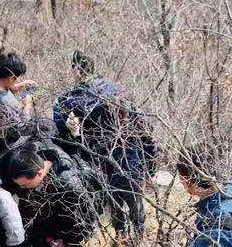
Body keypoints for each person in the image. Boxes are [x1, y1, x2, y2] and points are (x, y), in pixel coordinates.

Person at [53, 51, 156, 237]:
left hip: (102, 162)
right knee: (135, 207)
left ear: (76, 70)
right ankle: (136, 244)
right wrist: (150, 165)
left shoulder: (73, 98)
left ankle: (123, 240)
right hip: (129, 159)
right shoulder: (117, 90)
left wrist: (75, 137)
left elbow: (60, 128)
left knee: (117, 207)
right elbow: (145, 130)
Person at [0, 140, 103, 247]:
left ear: (40, 174)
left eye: (25, 185)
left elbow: (84, 221)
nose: (21, 188)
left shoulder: (69, 185)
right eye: (18, 185)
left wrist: (65, 243)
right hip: (39, 222)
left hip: (68, 222)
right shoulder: (19, 162)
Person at [0, 51, 36, 157]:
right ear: (11, 77)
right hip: (11, 143)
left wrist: (15, 87)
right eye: (16, 78)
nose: (17, 80)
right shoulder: (4, 102)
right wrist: (28, 104)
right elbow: (23, 125)